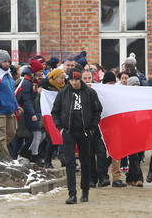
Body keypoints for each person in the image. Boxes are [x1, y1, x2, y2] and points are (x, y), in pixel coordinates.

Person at [52, 68, 102, 204]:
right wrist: (60, 128)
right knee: (70, 163)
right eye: (72, 80)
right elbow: (55, 111)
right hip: (68, 132)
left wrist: (92, 128)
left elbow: (98, 110)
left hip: (85, 132)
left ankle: (85, 191)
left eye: (76, 80)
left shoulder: (90, 93)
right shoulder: (63, 93)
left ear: (80, 79)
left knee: (85, 162)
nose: (74, 82)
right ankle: (72, 194)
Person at [0, 50, 20, 154]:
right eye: (5, 62)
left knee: (11, 133)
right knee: (1, 136)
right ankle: (5, 158)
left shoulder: (7, 74)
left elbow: (11, 92)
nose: (7, 64)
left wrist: (16, 106)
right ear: (0, 62)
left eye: (8, 61)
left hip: (9, 110)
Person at [36, 68, 66, 168]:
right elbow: (38, 103)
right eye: (60, 78)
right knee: (53, 139)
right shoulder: (46, 87)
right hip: (48, 119)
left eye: (64, 78)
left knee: (56, 140)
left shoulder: (64, 88)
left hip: (60, 118)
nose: (63, 80)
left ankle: (49, 159)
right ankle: (47, 160)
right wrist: (40, 94)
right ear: (54, 77)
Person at [21, 60, 45, 166]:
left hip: (37, 111)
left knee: (43, 134)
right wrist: (32, 114)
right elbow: (27, 101)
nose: (41, 73)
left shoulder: (34, 81)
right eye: (40, 71)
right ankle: (34, 156)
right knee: (37, 134)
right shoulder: (27, 83)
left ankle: (26, 152)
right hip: (32, 113)